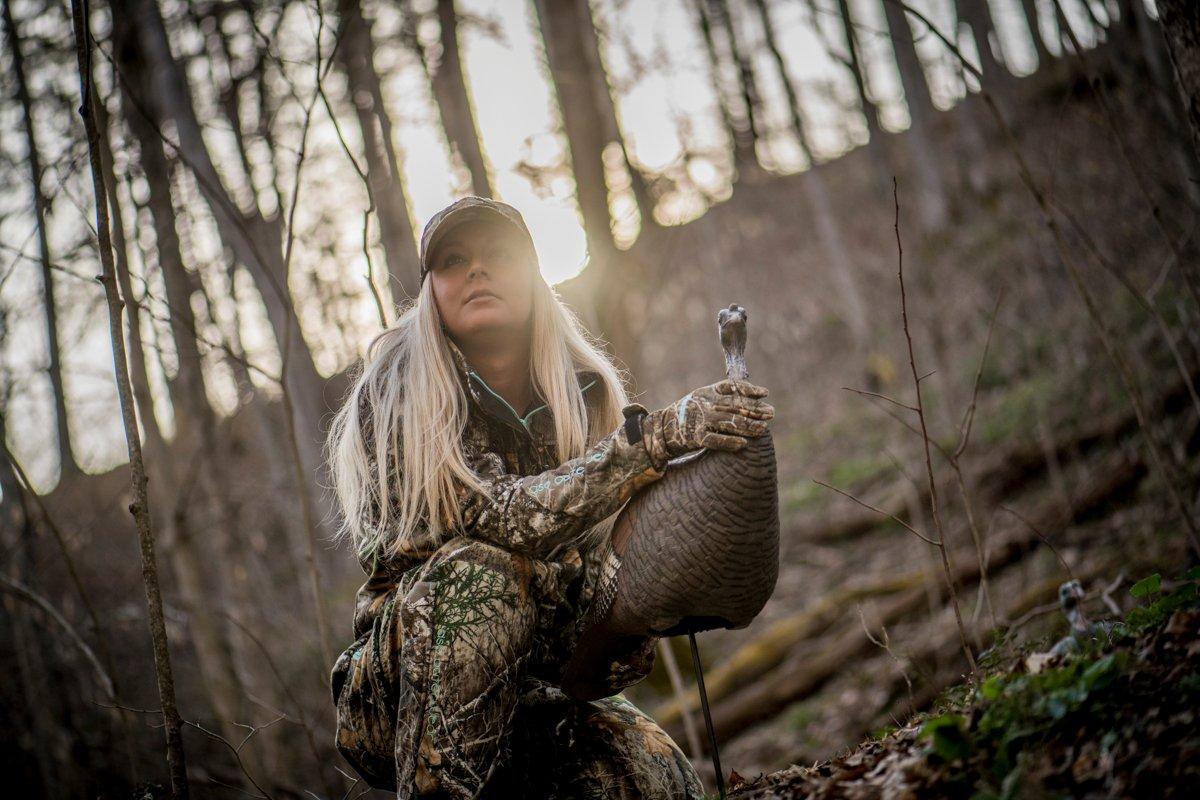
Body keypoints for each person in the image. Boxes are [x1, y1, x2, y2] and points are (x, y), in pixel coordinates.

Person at [325, 196, 775, 798]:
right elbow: (497, 519)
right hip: (403, 689)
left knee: (651, 768)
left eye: (500, 256)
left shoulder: (585, 390)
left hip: (543, 679)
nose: (477, 271)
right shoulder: (398, 390)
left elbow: (606, 560)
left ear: (536, 278)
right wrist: (658, 438)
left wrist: (707, 481)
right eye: (454, 260)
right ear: (431, 289)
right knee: (480, 574)